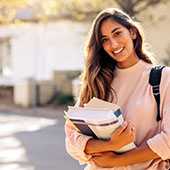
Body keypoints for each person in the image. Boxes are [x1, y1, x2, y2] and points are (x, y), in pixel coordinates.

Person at [65, 8, 170, 170]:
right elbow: (71, 142)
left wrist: (115, 161)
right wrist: (110, 144)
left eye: (117, 34)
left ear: (132, 32)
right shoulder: (98, 81)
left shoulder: (163, 78)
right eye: (105, 39)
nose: (113, 44)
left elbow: (168, 141)